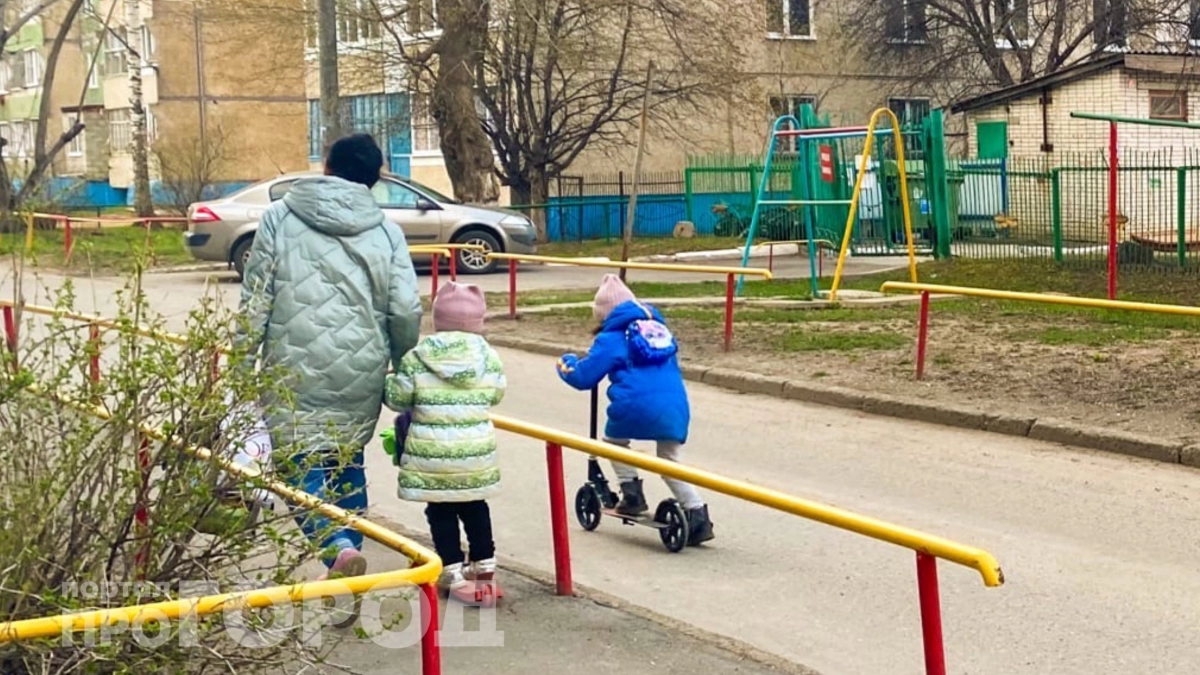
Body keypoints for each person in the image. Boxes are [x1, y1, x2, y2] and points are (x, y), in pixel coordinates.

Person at [235, 133, 423, 580]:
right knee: (344, 460)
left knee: (296, 465)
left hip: (291, 366)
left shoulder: (279, 218)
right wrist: (403, 365)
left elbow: (256, 299)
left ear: (325, 166)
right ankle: (348, 561)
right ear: (375, 179)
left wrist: (241, 369)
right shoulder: (387, 231)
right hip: (362, 367)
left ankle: (336, 547)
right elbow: (405, 309)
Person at [555, 274, 713, 546]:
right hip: (676, 405)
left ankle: (632, 495)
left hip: (634, 407)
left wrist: (566, 362)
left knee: (614, 443)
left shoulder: (612, 338)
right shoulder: (659, 332)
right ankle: (697, 512)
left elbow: (583, 377)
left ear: (604, 314)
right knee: (669, 459)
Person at [384, 282, 506, 604]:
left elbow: (398, 399)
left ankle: (451, 571)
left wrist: (389, 383)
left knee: (440, 511)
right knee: (475, 506)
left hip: (431, 454)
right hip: (475, 452)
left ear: (438, 319)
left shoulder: (417, 357)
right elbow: (496, 393)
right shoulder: (488, 357)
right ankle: (485, 568)